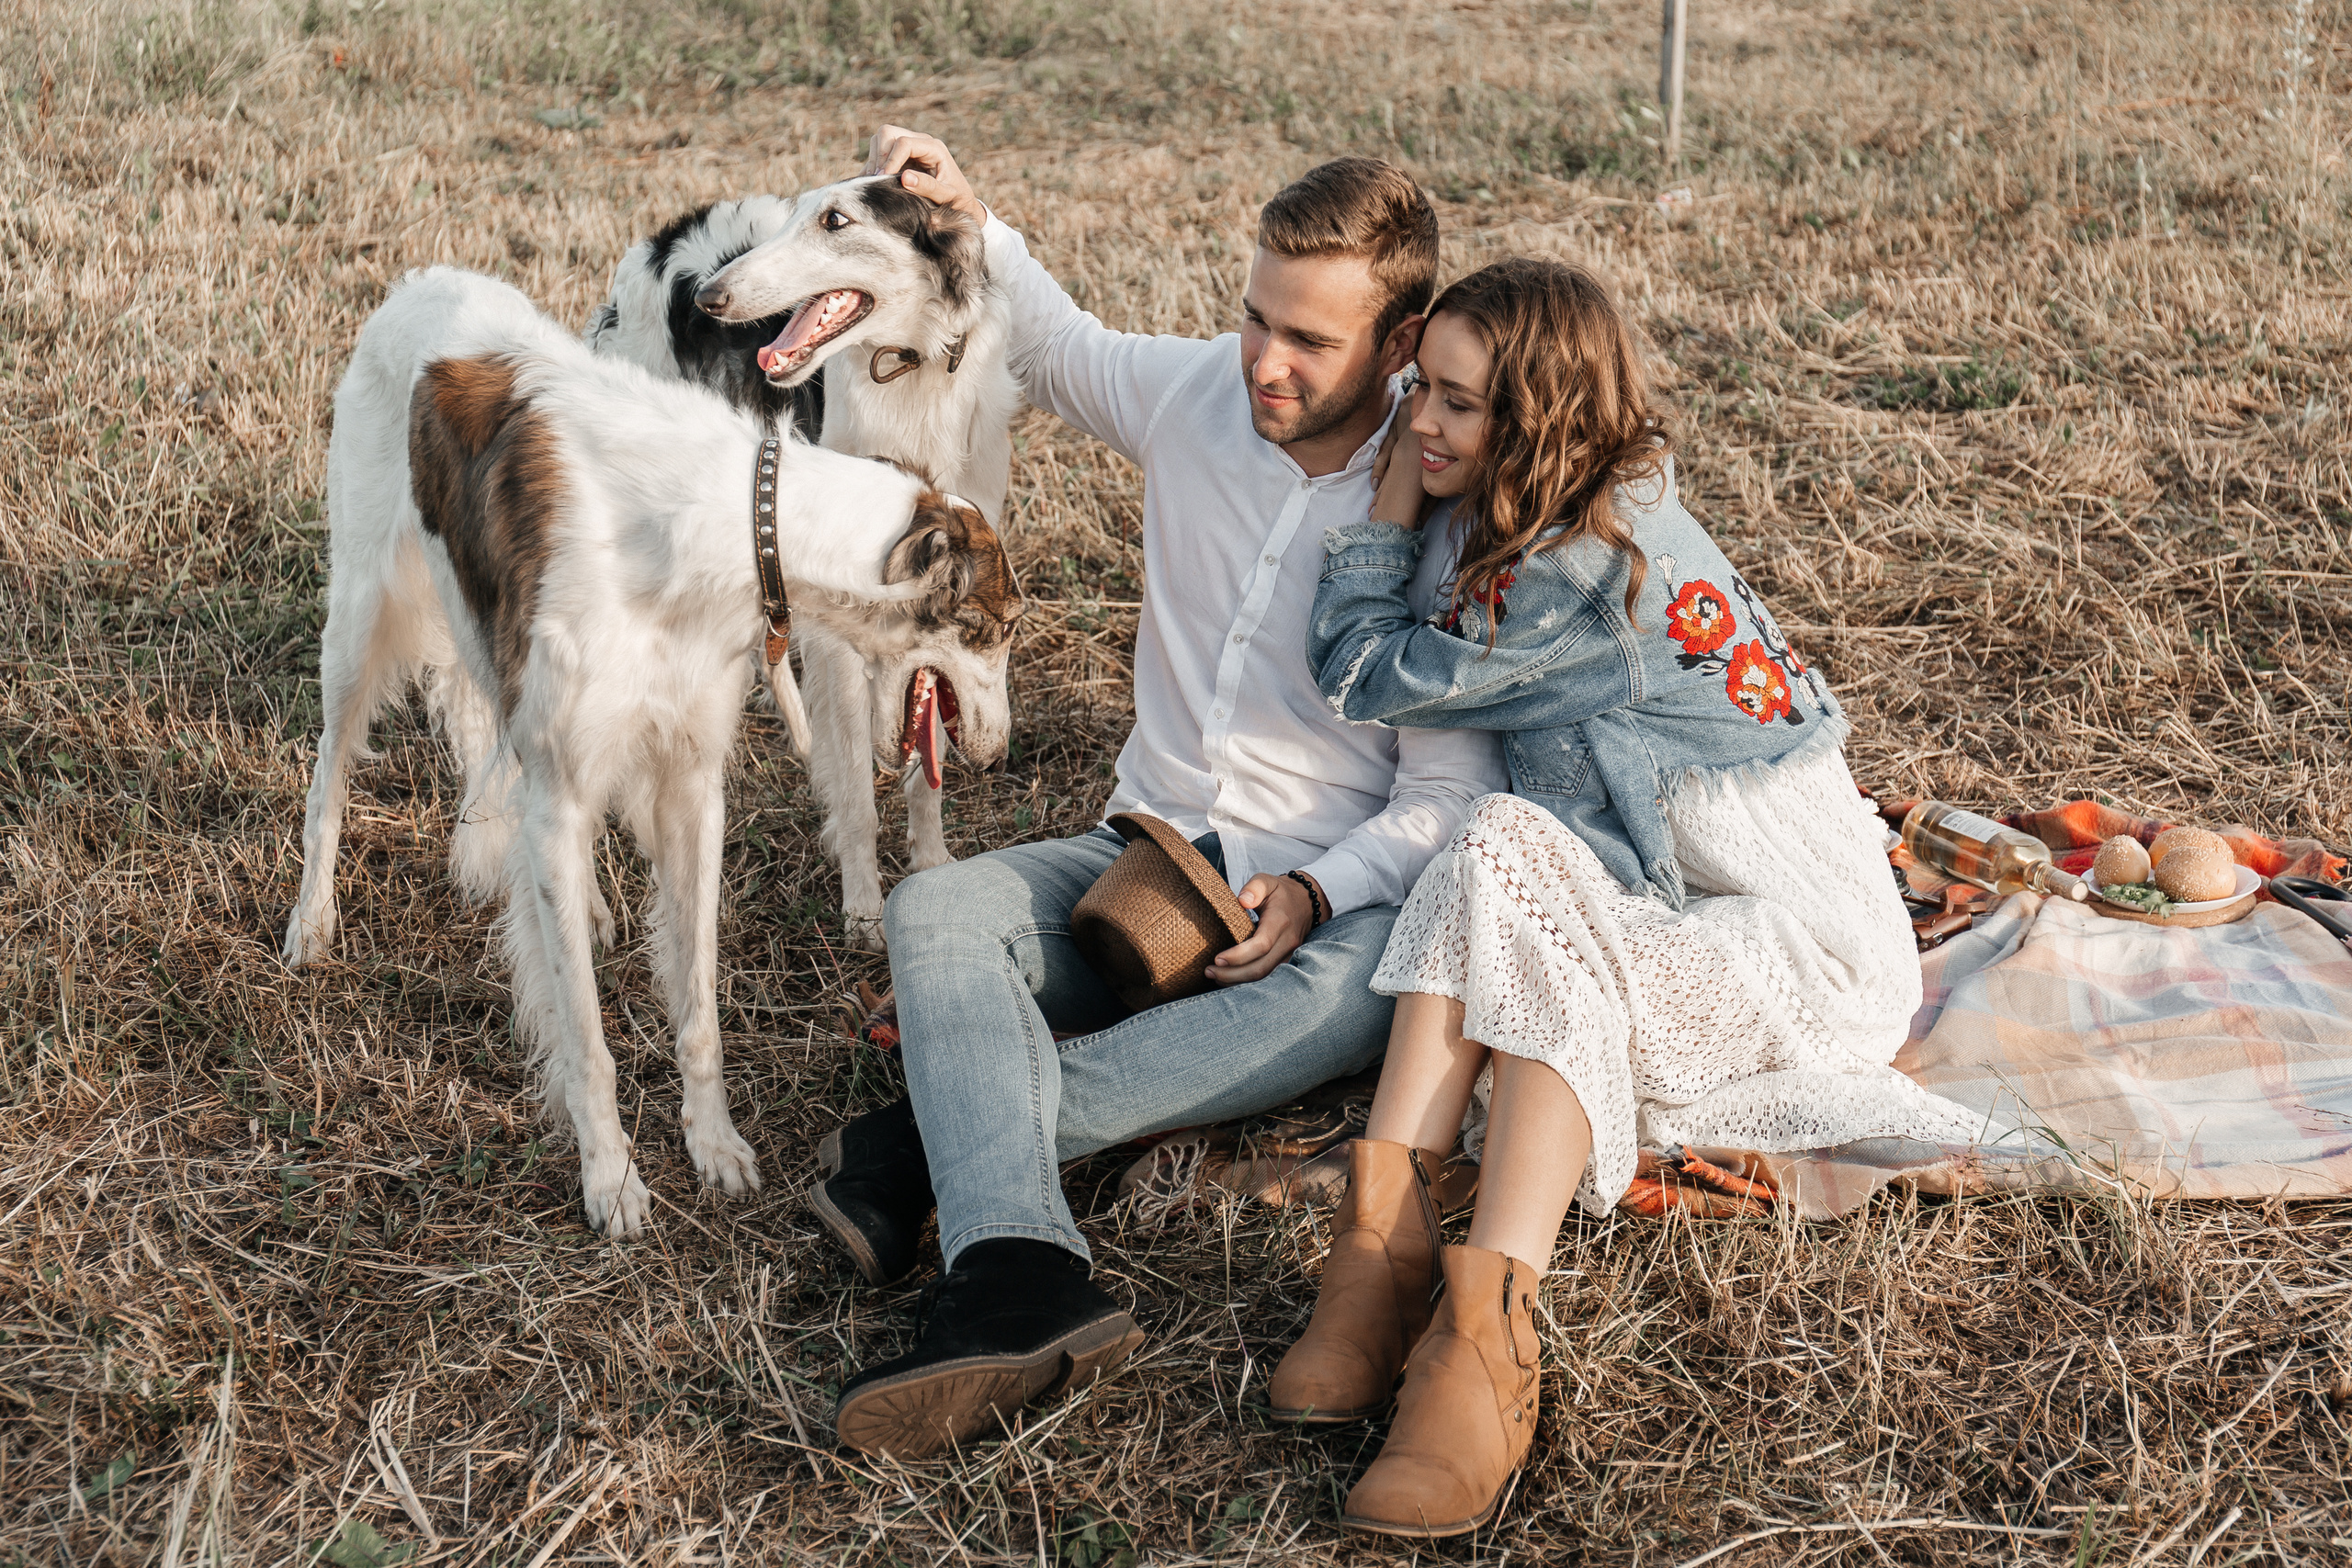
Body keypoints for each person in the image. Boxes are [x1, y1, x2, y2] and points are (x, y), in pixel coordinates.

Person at [810, 130, 1509, 1460]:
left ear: (1406, 338)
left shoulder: (1454, 524)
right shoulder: (1197, 394)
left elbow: (1452, 804)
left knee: (1357, 996)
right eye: (1254, 317)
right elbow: (1056, 342)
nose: (1264, 360)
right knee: (942, 913)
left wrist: (1317, 889)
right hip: (1136, 864)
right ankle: (1022, 1271)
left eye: (1309, 338)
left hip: (1327, 907)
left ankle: (928, 1140)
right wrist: (969, 211)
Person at [1282, 256, 1979, 1538]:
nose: (1419, 426)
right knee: (1496, 840)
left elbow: (1361, 669)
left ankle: (1487, 1331)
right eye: (1418, 395)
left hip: (1803, 945)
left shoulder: (1575, 574)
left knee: (1537, 915)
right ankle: (1380, 1262)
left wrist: (1381, 506)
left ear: (1538, 420)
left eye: (1456, 405)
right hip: (1696, 902)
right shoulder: (1569, 506)